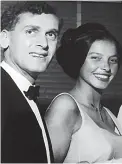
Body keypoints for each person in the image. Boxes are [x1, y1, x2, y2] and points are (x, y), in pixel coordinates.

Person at [45, 23, 122, 163]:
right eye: (95, 58)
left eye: (113, 60)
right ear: (78, 59)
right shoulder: (65, 106)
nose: (106, 67)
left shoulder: (110, 115)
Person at [0, 1, 62, 163]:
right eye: (31, 31)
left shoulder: (24, 93)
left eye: (51, 34)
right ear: (4, 39)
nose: (44, 44)